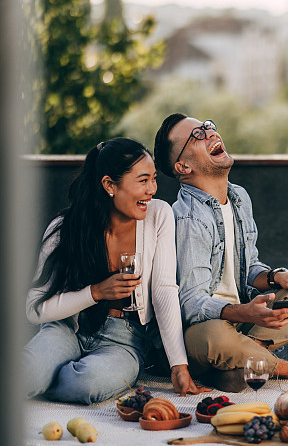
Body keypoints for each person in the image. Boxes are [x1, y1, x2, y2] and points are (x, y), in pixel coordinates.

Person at [153, 113, 288, 392]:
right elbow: (190, 304)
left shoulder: (238, 197)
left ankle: (240, 362)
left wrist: (278, 277)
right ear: (183, 166)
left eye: (208, 126)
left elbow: (248, 268)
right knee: (215, 335)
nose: (211, 133)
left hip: (242, 322)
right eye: (197, 134)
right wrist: (244, 313)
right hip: (199, 333)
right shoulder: (189, 218)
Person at [25, 138, 208, 405]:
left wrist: (178, 366)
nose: (152, 190)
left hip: (124, 340)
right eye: (143, 180)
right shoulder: (65, 228)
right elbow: (34, 308)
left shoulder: (159, 215)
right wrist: (96, 292)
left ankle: (45, 379)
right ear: (110, 185)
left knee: (85, 384)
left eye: (154, 179)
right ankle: (38, 375)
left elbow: (164, 291)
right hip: (68, 329)